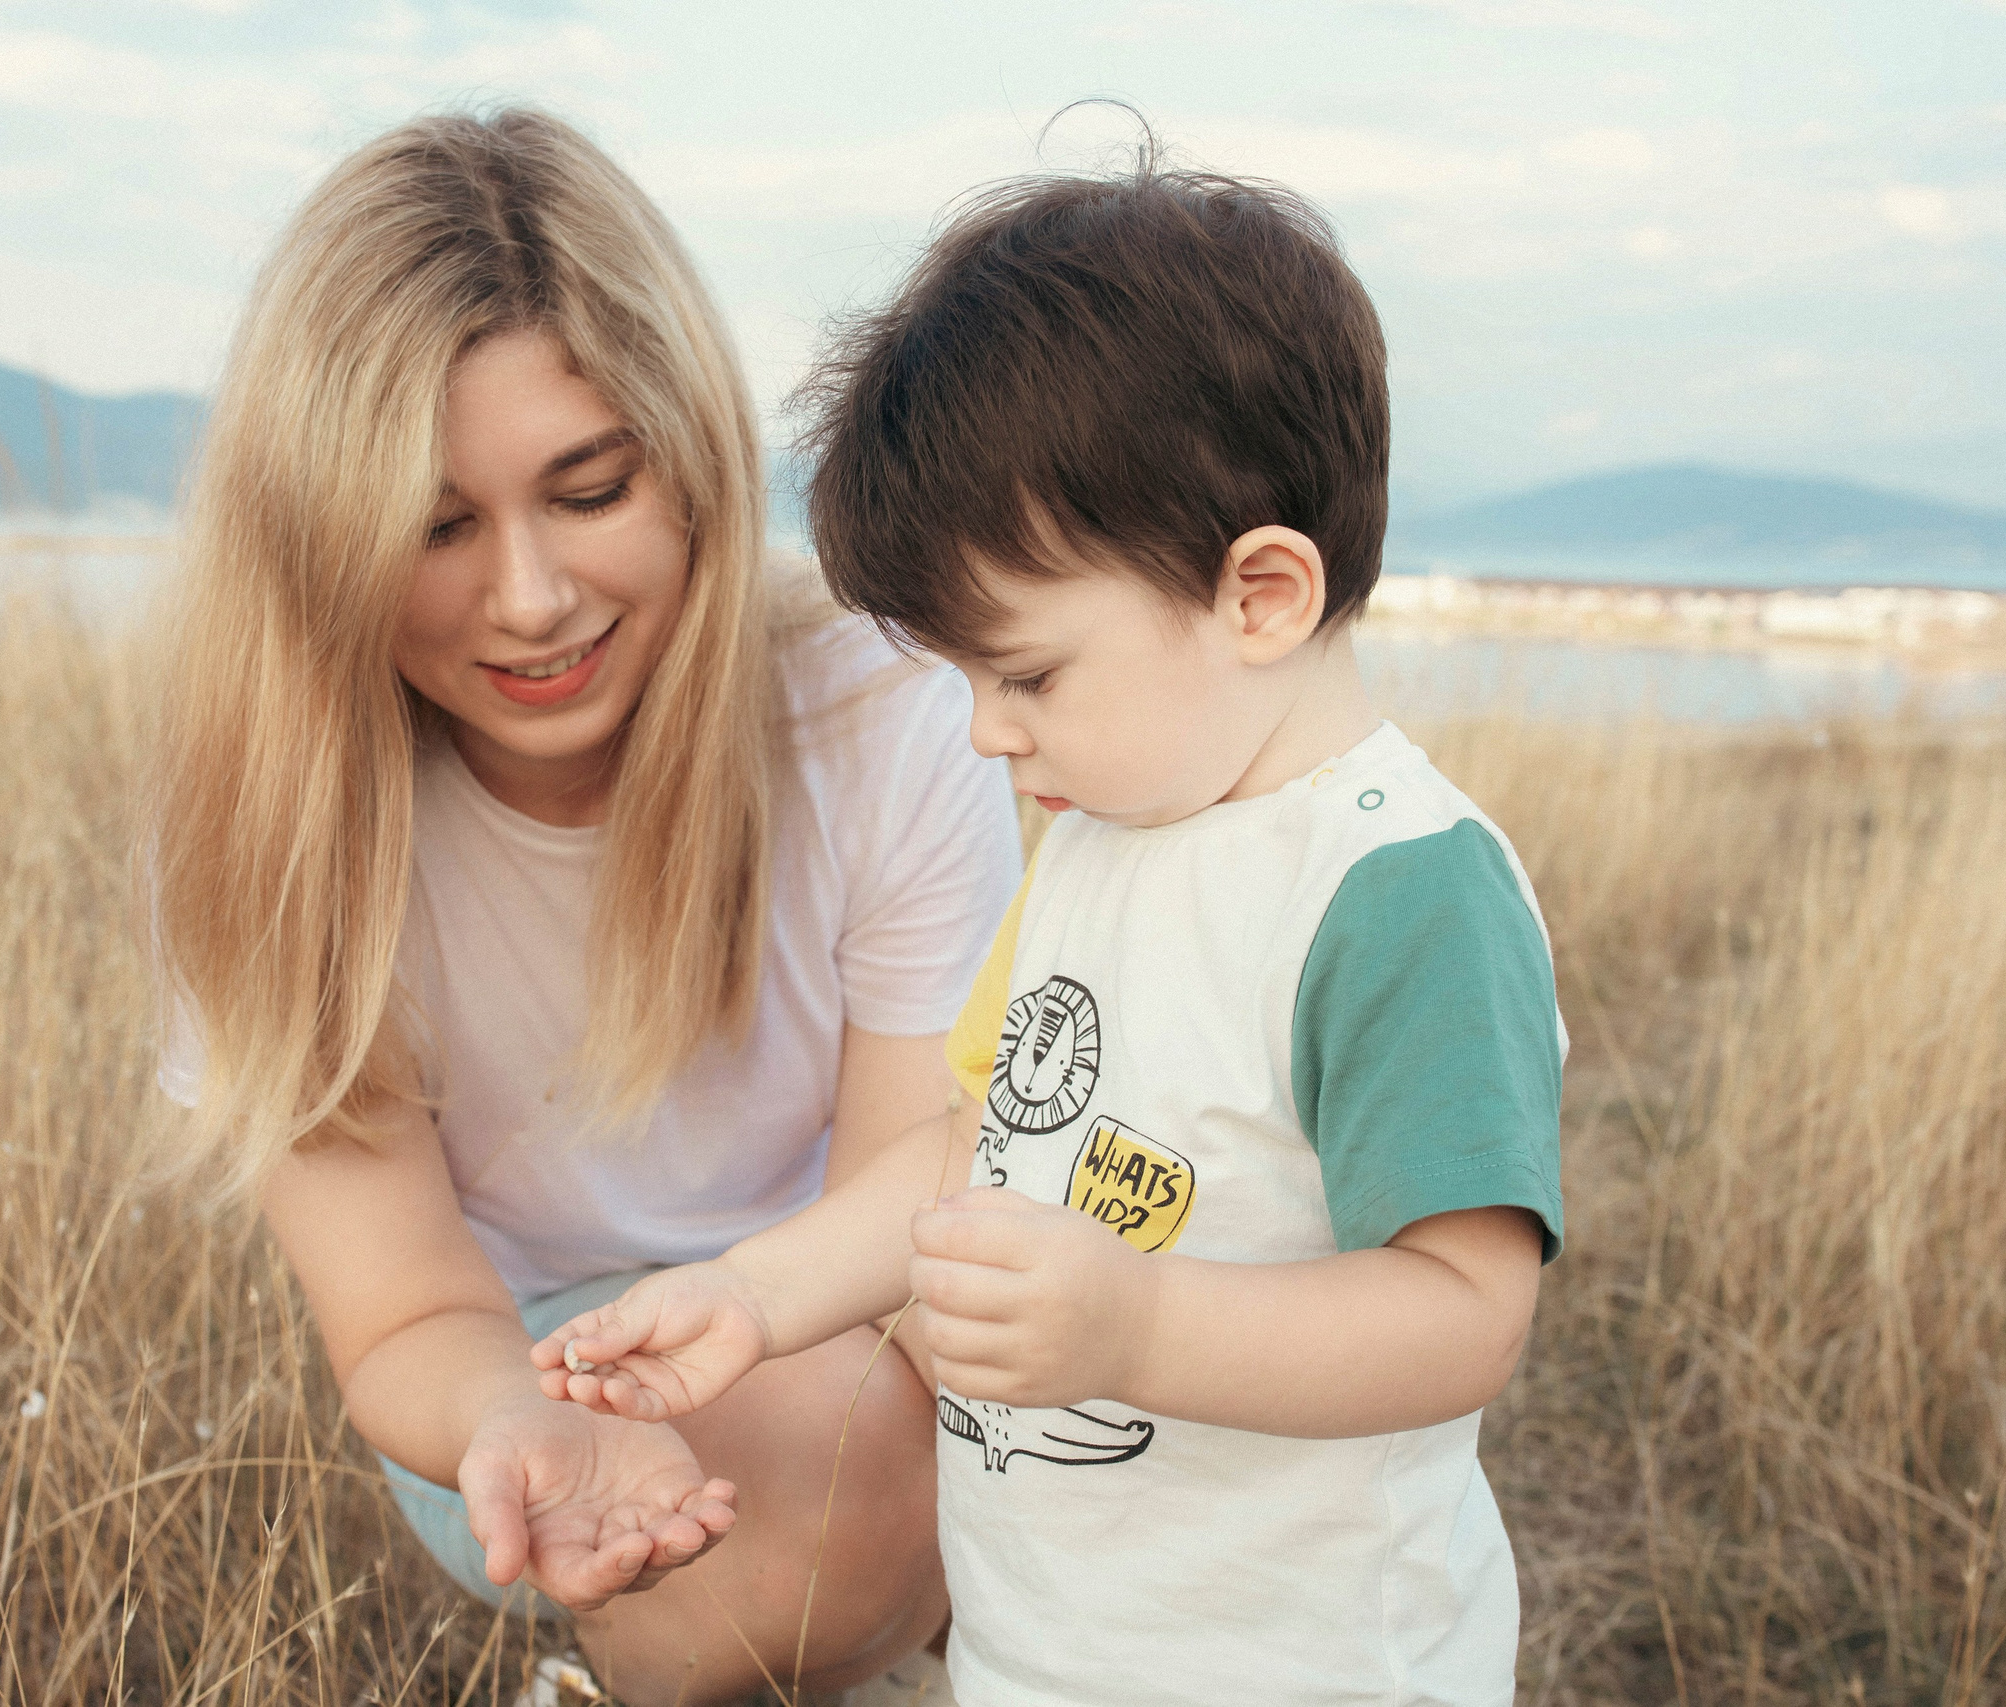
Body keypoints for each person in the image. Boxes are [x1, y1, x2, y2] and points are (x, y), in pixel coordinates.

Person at [529, 160, 1568, 1705]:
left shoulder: (1398, 891)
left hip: (1311, 1666)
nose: (985, 736)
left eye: (1026, 674)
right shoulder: (1096, 845)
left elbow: (1464, 1314)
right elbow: (983, 1151)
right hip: (1053, 1649)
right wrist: (757, 1297)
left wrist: (1138, 1325)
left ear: (1262, 596)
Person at [144, 109, 1020, 1706]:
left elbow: (914, 1191)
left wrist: (780, 1335)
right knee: (830, 1516)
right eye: (433, 525)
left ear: (689, 462)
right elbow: (406, 1312)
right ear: (320, 537)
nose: (532, 598)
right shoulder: (269, 825)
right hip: (518, 1361)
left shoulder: (885, 709)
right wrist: (519, 1421)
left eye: (590, 488)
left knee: (943, 1432)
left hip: (844, 1298)